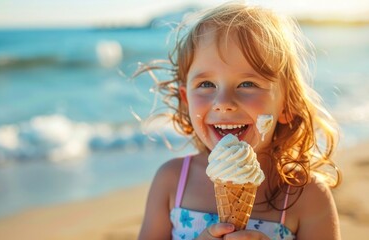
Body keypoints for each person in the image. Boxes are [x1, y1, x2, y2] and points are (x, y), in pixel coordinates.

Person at [136, 2, 341, 240]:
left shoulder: (307, 195)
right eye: (206, 84)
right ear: (186, 100)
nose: (223, 102)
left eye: (248, 84)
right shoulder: (171, 181)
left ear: (287, 104)